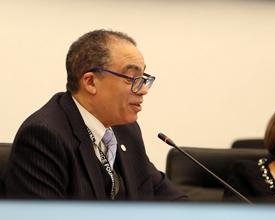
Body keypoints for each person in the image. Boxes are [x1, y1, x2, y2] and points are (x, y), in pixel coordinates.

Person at [1, 29, 188, 201]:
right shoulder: (44, 137)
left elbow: (170, 199)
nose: (143, 90)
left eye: (144, 79)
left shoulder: (126, 130)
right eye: (133, 79)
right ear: (91, 82)